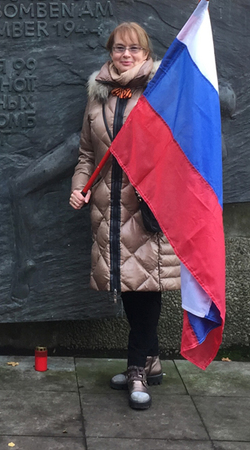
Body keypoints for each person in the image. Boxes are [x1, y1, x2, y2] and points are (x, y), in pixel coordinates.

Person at [69, 22, 181, 411]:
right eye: (119, 48)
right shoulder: (98, 95)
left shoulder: (160, 91)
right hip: (108, 208)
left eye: (134, 48)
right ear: (110, 52)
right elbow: (87, 154)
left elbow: (176, 148)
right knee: (130, 285)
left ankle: (136, 369)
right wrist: (79, 186)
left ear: (146, 53)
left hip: (146, 206)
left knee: (146, 286)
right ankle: (151, 359)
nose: (126, 55)